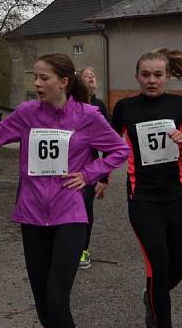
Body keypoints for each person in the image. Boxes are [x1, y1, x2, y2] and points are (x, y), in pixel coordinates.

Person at [0, 53, 128, 328]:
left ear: (63, 82)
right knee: (43, 304)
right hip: (32, 215)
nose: (37, 83)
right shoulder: (27, 113)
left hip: (70, 216)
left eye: (43, 78)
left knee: (57, 299)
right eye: (35, 77)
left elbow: (120, 150)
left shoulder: (88, 116)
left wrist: (88, 174)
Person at [111, 49, 182, 328]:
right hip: (142, 199)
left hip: (176, 197)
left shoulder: (178, 106)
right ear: (137, 77)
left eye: (158, 75)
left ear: (167, 77)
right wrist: (99, 177)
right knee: (159, 266)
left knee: (177, 269)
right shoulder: (125, 108)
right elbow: (107, 144)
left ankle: (150, 294)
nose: (151, 80)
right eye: (146, 75)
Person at [77, 67, 109, 271]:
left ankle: (83, 250)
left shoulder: (99, 106)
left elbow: (108, 142)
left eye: (93, 75)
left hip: (90, 165)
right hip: (69, 164)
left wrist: (104, 178)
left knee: (85, 207)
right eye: (85, 75)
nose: (90, 77)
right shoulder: (71, 104)